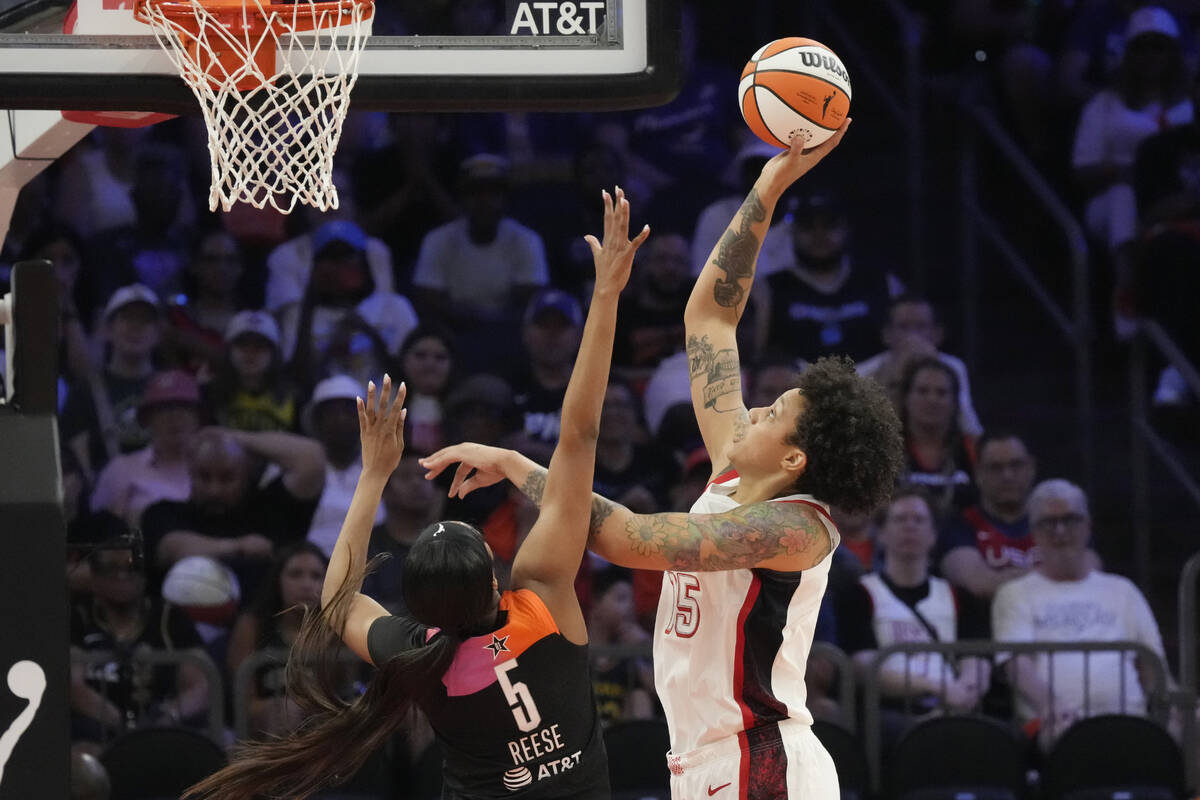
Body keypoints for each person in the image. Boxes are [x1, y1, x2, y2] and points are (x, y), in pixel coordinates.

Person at [424, 124, 907, 800]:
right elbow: (708, 320)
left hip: (762, 763)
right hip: (705, 763)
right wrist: (768, 187)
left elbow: (626, 538)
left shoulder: (797, 530)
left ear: (796, 457)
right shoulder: (738, 472)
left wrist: (532, 471)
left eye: (775, 413)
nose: (757, 409)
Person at [184, 186, 649, 800]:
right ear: (493, 580)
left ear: (420, 611)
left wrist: (372, 473)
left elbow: (337, 599)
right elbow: (580, 434)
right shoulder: (541, 594)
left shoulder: (416, 653)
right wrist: (607, 294)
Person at [993, 479, 1169, 750]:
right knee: (1064, 737)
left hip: (1131, 718)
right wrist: (1051, 705)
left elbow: (1152, 663)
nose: (1060, 531)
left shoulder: (1123, 590)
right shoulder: (1014, 593)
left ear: (1088, 527)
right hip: (1052, 721)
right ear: (1034, 533)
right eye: (1048, 523)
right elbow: (1017, 666)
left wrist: (1176, 706)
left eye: (1070, 519)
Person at [835, 489, 991, 746]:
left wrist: (965, 692)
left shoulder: (958, 596)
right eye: (900, 519)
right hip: (890, 712)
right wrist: (936, 687)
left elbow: (977, 657)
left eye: (919, 520)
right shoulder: (859, 595)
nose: (910, 526)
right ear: (882, 534)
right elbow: (863, 665)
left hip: (955, 706)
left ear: (933, 535)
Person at [226, 542, 330, 738]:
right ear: (278, 580)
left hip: (328, 722)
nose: (307, 584)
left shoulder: (338, 629)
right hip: (267, 721)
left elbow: (350, 692)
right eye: (295, 575)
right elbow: (244, 704)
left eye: (316, 576)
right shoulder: (251, 626)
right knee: (289, 709)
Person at [856, 294, 983, 437]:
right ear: (887, 335)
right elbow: (865, 432)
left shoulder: (953, 366)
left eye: (921, 326)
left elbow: (969, 428)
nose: (913, 337)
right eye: (903, 327)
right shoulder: (863, 372)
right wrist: (895, 378)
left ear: (937, 334)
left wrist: (936, 367)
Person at [89, 369, 201, 527]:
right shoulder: (121, 468)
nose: (175, 417)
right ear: (148, 418)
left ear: (198, 416)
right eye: (164, 408)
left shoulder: (215, 466)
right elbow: (100, 532)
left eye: (183, 407)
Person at [897, 356, 977, 518]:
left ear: (955, 402)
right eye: (922, 391)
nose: (932, 400)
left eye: (941, 393)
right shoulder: (881, 449)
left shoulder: (974, 450)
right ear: (906, 398)